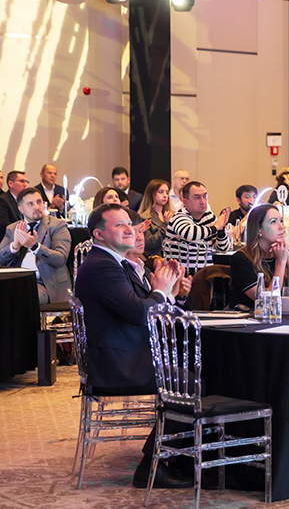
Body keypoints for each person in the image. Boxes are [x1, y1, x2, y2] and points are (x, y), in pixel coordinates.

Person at [73, 203, 190, 489]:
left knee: (197, 370)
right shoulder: (102, 266)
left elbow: (142, 310)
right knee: (189, 382)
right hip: (118, 363)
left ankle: (180, 457)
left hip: (127, 351)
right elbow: (140, 314)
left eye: (130, 223)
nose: (130, 230)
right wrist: (160, 290)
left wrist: (169, 293)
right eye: (120, 225)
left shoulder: (115, 263)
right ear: (99, 234)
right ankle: (154, 465)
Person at [0, 188, 72, 304]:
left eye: (39, 202)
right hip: (16, 280)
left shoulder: (57, 225)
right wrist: (14, 246)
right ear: (20, 208)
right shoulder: (13, 228)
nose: (37, 207)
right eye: (30, 204)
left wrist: (35, 247)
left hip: (44, 282)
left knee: (21, 298)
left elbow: (60, 258)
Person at [229, 204, 289, 310]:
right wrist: (281, 262)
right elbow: (267, 301)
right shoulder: (240, 259)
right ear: (259, 229)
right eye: (273, 222)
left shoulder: (279, 253)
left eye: (281, 221)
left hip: (277, 316)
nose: (281, 227)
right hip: (247, 316)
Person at [162, 181, 231, 276]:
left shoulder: (209, 217)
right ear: (185, 201)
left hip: (204, 276)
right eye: (197, 197)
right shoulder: (179, 217)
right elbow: (189, 234)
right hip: (179, 276)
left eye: (205, 196)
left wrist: (221, 229)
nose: (203, 201)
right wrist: (215, 228)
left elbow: (223, 249)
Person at [125, 210, 192, 308]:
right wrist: (162, 292)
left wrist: (178, 295)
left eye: (140, 231)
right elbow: (141, 311)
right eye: (133, 233)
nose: (140, 238)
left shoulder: (146, 271)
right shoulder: (120, 272)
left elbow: (164, 312)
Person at [138, 179, 174, 258]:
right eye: (160, 192)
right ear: (151, 194)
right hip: (155, 258)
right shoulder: (144, 217)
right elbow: (150, 243)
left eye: (167, 193)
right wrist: (165, 225)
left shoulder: (171, 215)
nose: (165, 195)